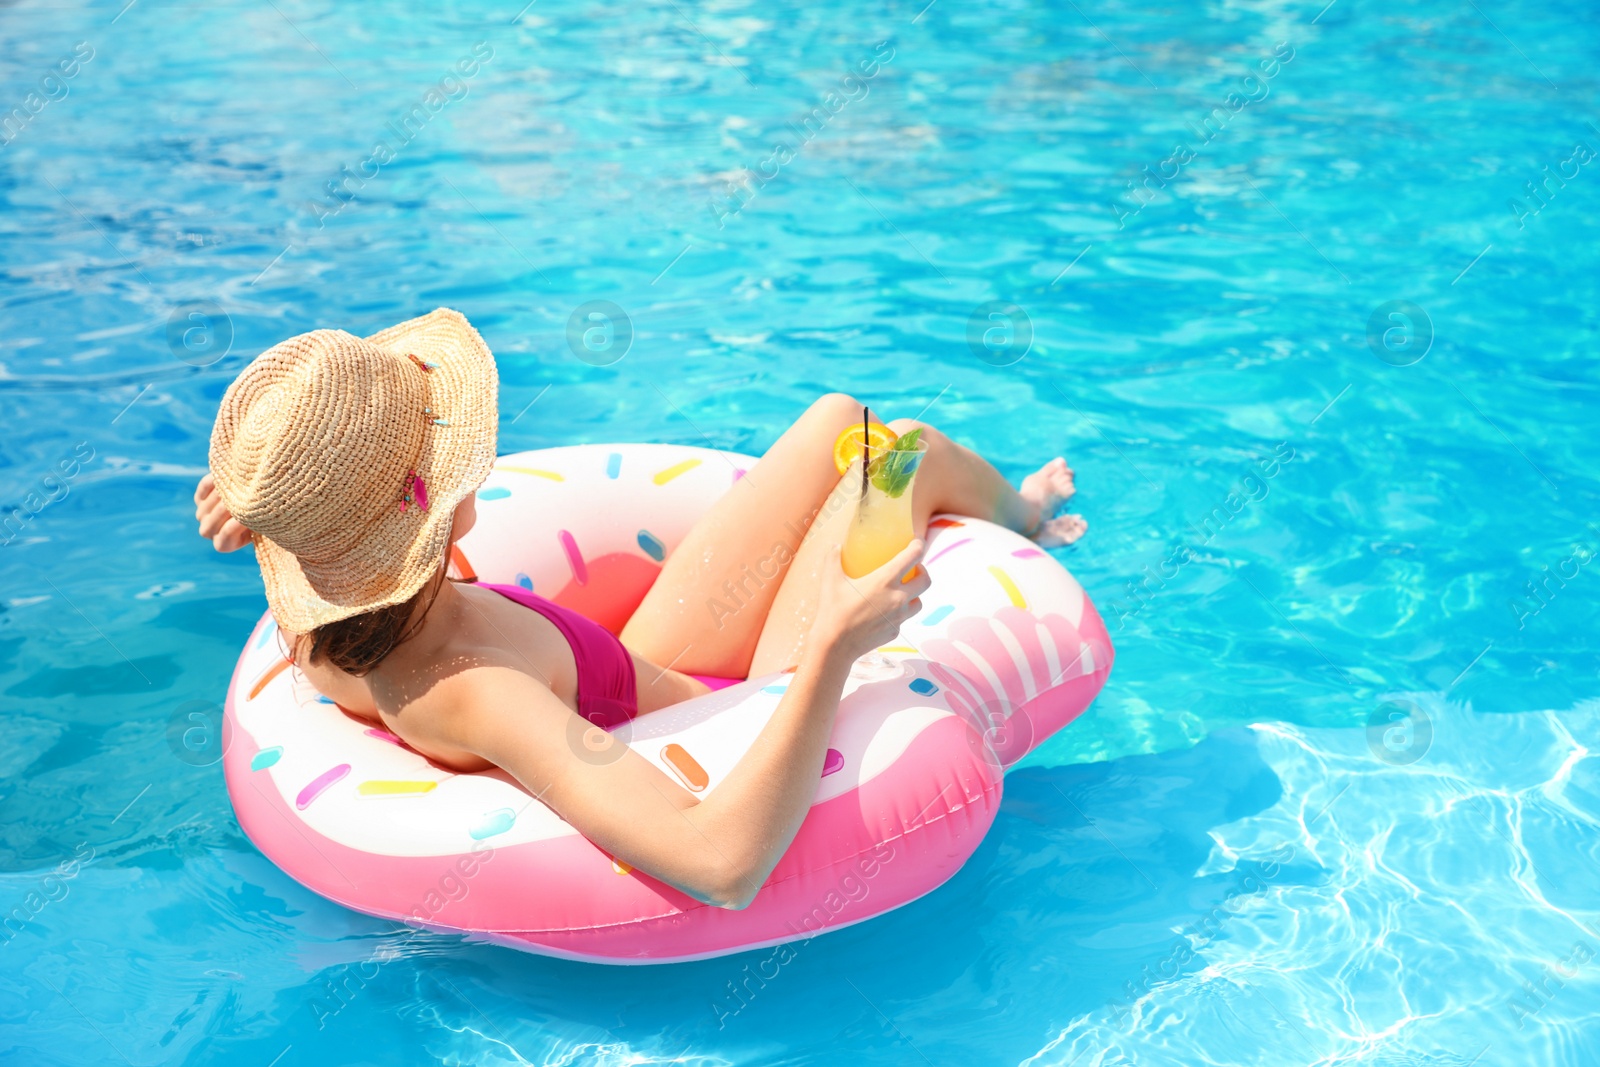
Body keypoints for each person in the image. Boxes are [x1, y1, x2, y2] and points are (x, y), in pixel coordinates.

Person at [196, 308, 1084, 910]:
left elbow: (320, 521)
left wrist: (261, 511)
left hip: (636, 663)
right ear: (419, 507)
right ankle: (1025, 519)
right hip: (735, 710)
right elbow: (721, 868)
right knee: (902, 456)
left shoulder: (322, 614)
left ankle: (1015, 513)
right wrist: (832, 652)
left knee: (835, 421)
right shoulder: (470, 687)